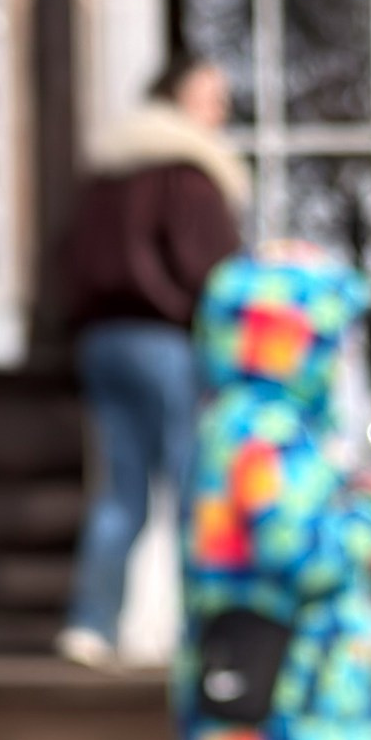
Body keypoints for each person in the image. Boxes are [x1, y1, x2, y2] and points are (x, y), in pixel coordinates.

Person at [175, 245, 371, 740]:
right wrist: (370, 512)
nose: (341, 359)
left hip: (284, 690)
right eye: (333, 341)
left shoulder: (236, 423)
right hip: (288, 693)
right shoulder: (267, 433)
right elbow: (300, 553)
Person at [55, 57, 245, 666]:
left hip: (100, 343)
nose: (220, 110)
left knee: (120, 493)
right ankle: (204, 633)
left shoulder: (105, 178)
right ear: (176, 99)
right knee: (195, 489)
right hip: (167, 339)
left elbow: (68, 263)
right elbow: (211, 274)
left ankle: (91, 625)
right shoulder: (189, 175)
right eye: (210, 96)